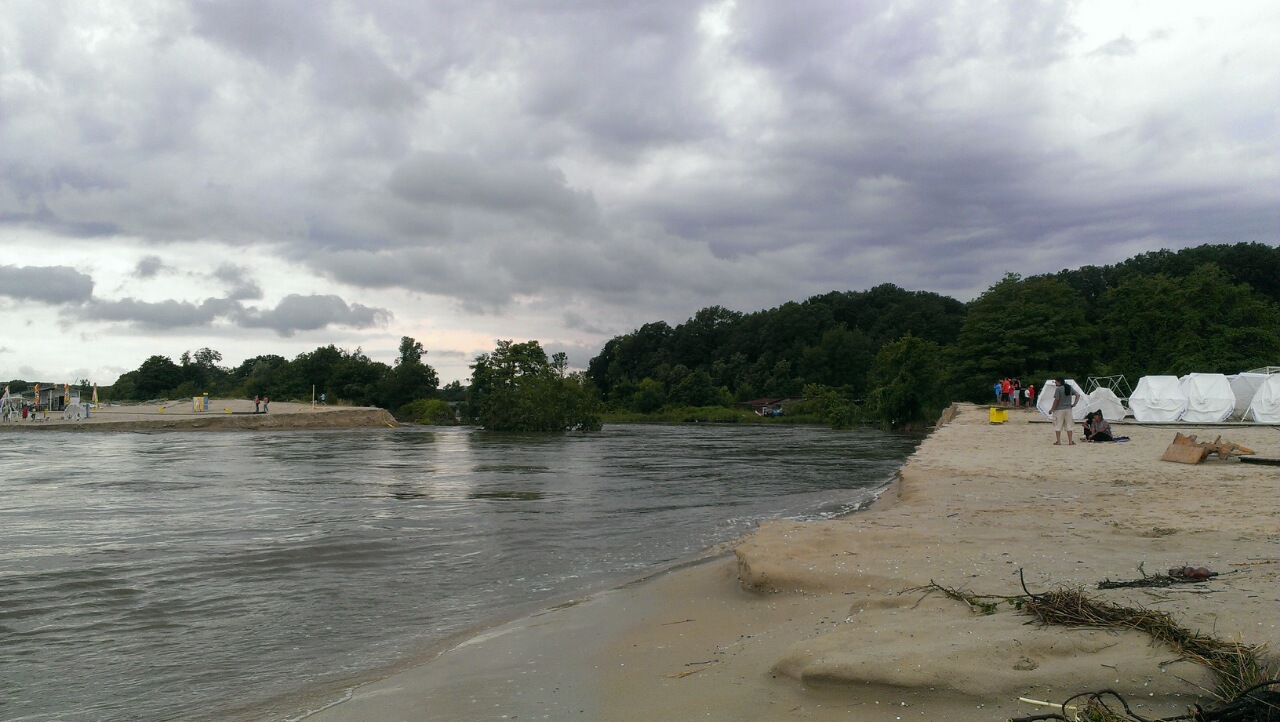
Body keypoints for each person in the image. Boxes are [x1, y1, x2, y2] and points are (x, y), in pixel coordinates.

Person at [1050, 378, 1077, 445]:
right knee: (1069, 425)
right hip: (1068, 409)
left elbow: (1057, 399)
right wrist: (1074, 404)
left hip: (1059, 409)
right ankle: (1070, 441)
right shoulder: (1069, 387)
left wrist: (1052, 409)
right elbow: (1078, 395)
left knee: (1058, 425)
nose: (1055, 383)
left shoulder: (1058, 389)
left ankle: (1059, 441)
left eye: (1056, 382)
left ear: (1059, 382)